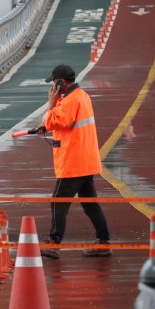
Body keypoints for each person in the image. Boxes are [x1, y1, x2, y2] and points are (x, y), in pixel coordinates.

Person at [39, 64, 111, 258]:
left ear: (61, 81)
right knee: (89, 202)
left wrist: (51, 104)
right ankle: (103, 242)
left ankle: (54, 242)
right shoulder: (82, 96)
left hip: (73, 161)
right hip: (85, 158)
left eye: (54, 83)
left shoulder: (69, 100)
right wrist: (48, 122)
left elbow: (58, 121)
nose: (53, 87)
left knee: (58, 202)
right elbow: (63, 122)